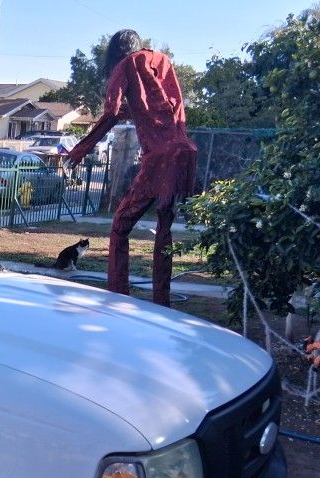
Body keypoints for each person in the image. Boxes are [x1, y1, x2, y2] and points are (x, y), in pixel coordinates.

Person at [66, 30, 198, 307]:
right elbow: (162, 110)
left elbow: (112, 112)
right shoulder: (162, 61)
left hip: (160, 157)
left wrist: (79, 151)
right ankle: (162, 301)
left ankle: (118, 296)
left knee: (120, 225)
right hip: (184, 152)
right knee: (165, 229)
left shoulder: (124, 65)